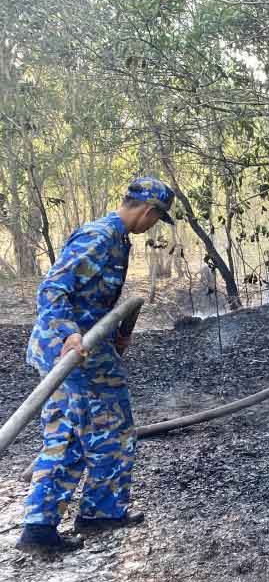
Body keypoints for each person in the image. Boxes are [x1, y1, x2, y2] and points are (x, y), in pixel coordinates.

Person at [16, 177, 176, 555]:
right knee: (88, 433)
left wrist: (119, 331)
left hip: (89, 350)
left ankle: (83, 515)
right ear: (149, 212)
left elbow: (95, 297)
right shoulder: (99, 237)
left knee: (88, 430)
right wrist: (70, 335)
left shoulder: (117, 238)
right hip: (72, 353)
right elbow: (52, 289)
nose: (155, 225)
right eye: (157, 219)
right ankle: (55, 523)